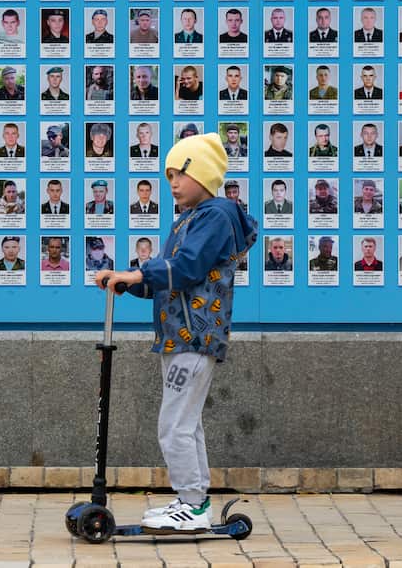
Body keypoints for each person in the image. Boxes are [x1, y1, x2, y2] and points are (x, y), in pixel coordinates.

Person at [95, 133, 258, 531]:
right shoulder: (188, 219)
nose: (172, 182)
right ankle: (195, 500)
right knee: (187, 424)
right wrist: (129, 281)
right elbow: (167, 278)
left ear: (200, 173)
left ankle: (191, 504)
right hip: (178, 335)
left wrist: (137, 271)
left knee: (174, 427)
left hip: (195, 334)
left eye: (178, 174)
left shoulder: (215, 216)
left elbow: (187, 267)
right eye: (168, 175)